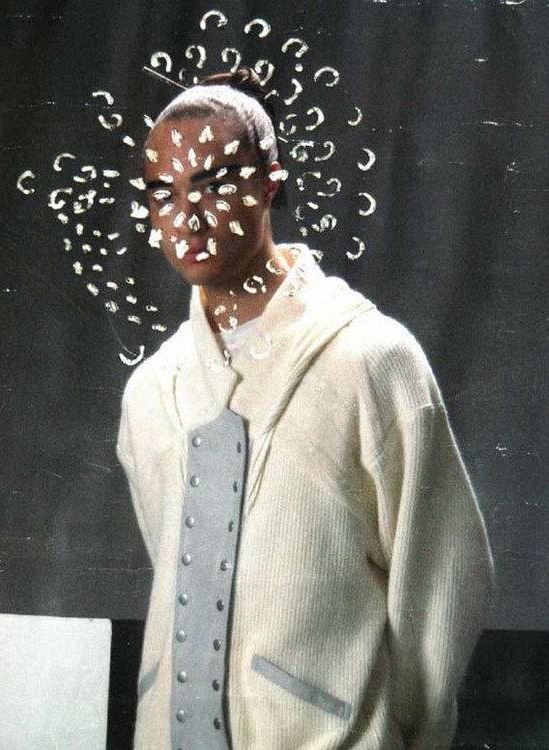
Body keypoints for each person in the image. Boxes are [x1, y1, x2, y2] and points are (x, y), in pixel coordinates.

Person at [116, 67, 493, 750]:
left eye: (214, 184)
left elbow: (441, 580)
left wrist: (400, 733)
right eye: (163, 193)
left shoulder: (373, 360)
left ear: (270, 183)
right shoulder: (151, 390)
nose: (187, 217)